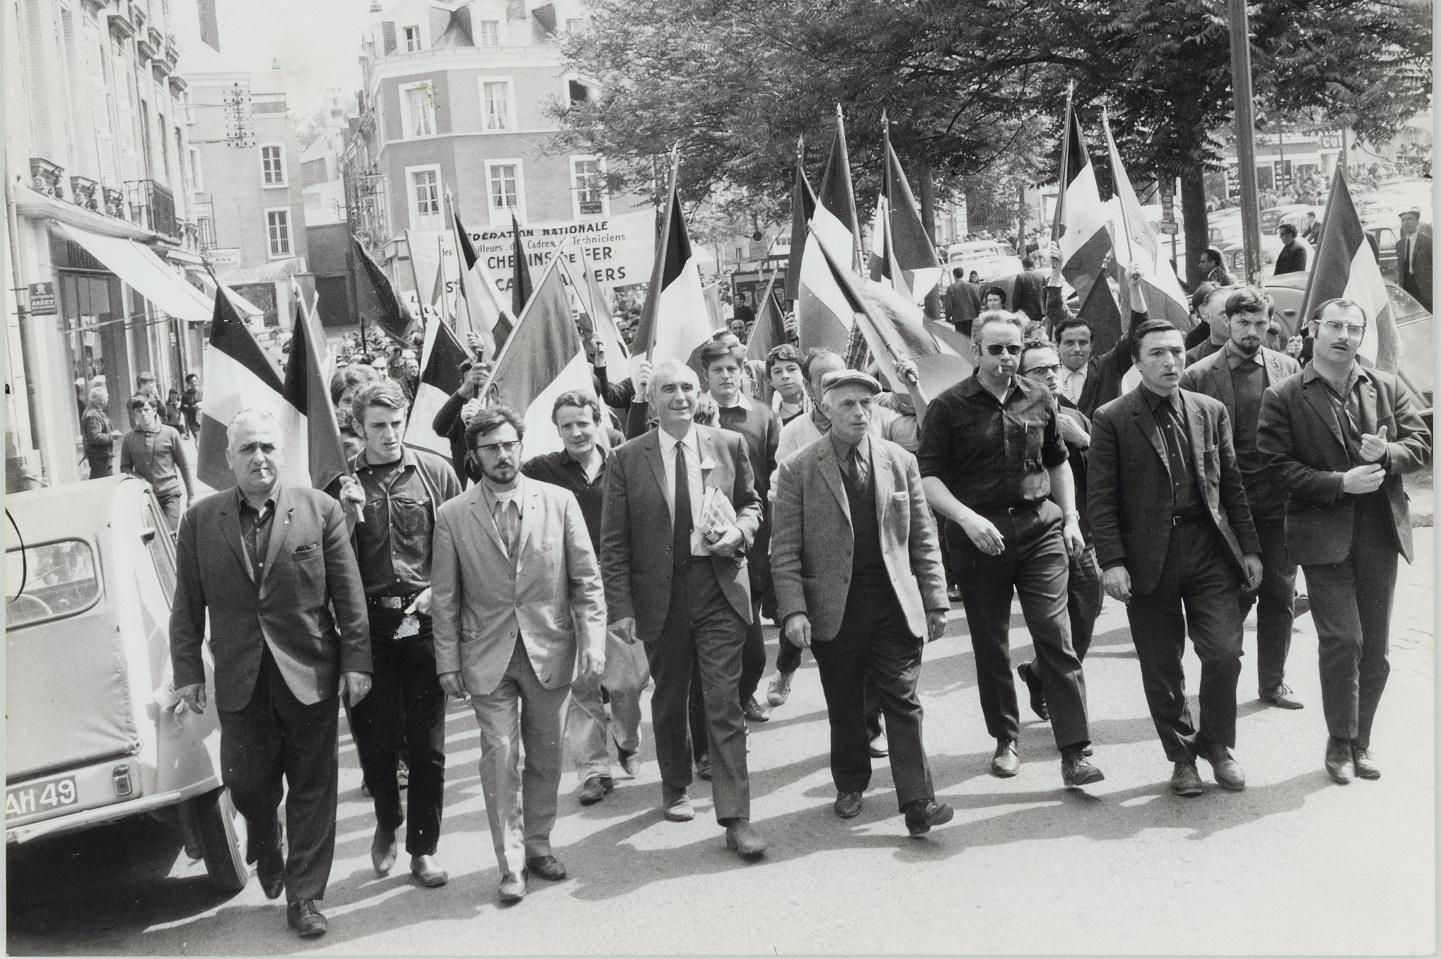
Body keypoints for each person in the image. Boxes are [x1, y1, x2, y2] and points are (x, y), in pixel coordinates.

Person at [169, 410, 372, 938]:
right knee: (248, 785)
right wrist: (187, 670)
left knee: (313, 784)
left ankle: (305, 897)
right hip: (240, 677)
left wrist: (357, 661)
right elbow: (186, 606)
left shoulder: (319, 510)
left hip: (309, 672)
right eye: (247, 450)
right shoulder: (199, 521)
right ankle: (265, 835)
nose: (259, 458)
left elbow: (349, 596)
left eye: (267, 448)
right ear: (228, 459)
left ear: (282, 453)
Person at [918, 310, 1104, 787]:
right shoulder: (948, 407)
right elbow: (930, 478)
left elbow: (1058, 462)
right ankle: (1006, 738)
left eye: (1014, 349)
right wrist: (965, 517)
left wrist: (1071, 519)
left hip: (1039, 529)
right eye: (996, 349)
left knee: (1054, 634)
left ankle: (1075, 751)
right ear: (975, 351)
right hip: (980, 536)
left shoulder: (1041, 398)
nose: (1006, 358)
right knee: (992, 642)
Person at [431, 405, 606, 902]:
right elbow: (444, 598)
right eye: (491, 448)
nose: (503, 455)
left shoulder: (560, 502)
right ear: (475, 455)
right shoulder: (453, 516)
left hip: (549, 649)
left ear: (521, 447)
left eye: (509, 445)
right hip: (487, 657)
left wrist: (593, 640)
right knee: (501, 755)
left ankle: (538, 845)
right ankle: (510, 866)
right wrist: (447, 662)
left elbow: (586, 582)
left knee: (546, 756)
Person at [770, 370, 954, 836]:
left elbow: (922, 537)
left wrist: (935, 600)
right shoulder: (798, 468)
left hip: (893, 601)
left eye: (865, 404)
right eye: (847, 404)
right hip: (836, 606)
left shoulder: (899, 461)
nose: (858, 413)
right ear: (825, 409)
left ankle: (918, 801)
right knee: (846, 702)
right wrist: (793, 610)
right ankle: (850, 781)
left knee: (903, 698)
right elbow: (785, 548)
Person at [1257, 299, 1431, 784]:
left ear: (1361, 336)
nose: (1343, 336)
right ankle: (1338, 740)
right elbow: (1275, 466)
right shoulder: (1285, 395)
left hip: (1379, 533)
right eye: (1333, 326)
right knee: (1343, 640)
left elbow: (1422, 444)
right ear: (1314, 330)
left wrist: (1389, 452)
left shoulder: (1387, 386)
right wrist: (1338, 484)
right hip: (1321, 537)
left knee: (1374, 648)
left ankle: (1362, 741)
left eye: (1352, 328)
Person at [599, 360, 768, 859]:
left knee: (723, 701)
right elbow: (614, 542)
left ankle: (736, 818)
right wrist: (621, 607)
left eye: (688, 388)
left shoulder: (728, 445)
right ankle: (674, 785)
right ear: (651, 401)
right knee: (671, 697)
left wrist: (739, 532)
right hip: (661, 596)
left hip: (718, 589)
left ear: (700, 395)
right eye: (668, 388)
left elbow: (752, 504)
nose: (679, 396)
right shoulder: (627, 458)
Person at [1089, 320, 1263, 798]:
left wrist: (1248, 548)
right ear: (1137, 361)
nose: (1170, 362)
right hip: (1149, 558)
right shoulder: (1112, 418)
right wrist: (1113, 561)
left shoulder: (1210, 410)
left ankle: (1219, 746)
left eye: (1176, 352)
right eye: (1157, 354)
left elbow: (1232, 486)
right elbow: (1100, 500)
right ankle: (1183, 757)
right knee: (1163, 666)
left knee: (1224, 653)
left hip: (1209, 551)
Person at [328, 381, 460, 889]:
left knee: (428, 746)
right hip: (368, 630)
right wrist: (345, 515)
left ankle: (423, 848)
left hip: (423, 621)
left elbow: (458, 545)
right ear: (358, 429)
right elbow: (328, 566)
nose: (388, 435)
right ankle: (388, 819)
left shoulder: (434, 473)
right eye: (377, 426)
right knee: (377, 743)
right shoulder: (338, 485)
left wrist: (440, 591)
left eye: (396, 423)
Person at [521, 391, 650, 806]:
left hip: (617, 586)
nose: (576, 432)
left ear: (598, 423)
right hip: (563, 589)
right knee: (582, 684)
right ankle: (594, 768)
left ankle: (628, 739)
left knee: (628, 681)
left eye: (583, 423)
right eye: (566, 426)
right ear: (557, 430)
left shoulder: (625, 462)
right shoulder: (539, 470)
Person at [1179, 287, 1303, 709]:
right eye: (1243, 323)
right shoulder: (1197, 372)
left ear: (1270, 323)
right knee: (1232, 597)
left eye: (1260, 323)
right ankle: (1220, 676)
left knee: (1280, 596)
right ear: (1226, 323)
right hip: (1225, 510)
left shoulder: (1287, 367)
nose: (1252, 331)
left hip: (1277, 503)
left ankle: (1273, 681)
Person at [1011, 340, 1105, 720]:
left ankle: (1037, 672)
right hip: (1037, 536)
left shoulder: (1075, 417)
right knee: (1055, 626)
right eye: (1039, 371)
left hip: (1080, 532)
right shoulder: (1013, 418)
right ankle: (1064, 706)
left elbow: (1107, 472)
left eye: (1053, 369)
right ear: (1019, 376)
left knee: (1086, 611)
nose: (1050, 376)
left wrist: (1083, 441)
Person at [701, 341, 779, 727]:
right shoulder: (692, 413)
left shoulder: (762, 417)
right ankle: (722, 712)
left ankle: (743, 695)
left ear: (743, 372)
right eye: (718, 371)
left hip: (753, 536)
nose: (726, 377)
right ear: (707, 376)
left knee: (755, 650)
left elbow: (775, 477)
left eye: (732, 369)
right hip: (707, 541)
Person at [1044, 248, 1149, 418]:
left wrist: (1135, 288)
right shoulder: (1046, 374)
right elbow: (1055, 308)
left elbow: (1139, 331)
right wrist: (1056, 270)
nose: (1077, 348)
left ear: (1092, 345)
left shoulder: (1107, 367)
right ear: (1058, 345)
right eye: (1069, 342)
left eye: (1083, 342)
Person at [120, 393, 194, 531]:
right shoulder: (129, 439)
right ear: (134, 414)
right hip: (146, 498)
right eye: (138, 411)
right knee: (153, 540)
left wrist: (191, 496)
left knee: (169, 534)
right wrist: (140, 479)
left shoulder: (171, 433)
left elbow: (184, 466)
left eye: (146, 410)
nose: (143, 414)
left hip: (170, 495)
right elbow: (125, 468)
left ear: (154, 411)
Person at [1184, 283, 1234, 364]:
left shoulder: (1253, 348)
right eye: (1223, 314)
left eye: (1234, 312)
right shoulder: (1193, 358)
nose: (1229, 319)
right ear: (1207, 316)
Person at [1396, 207, 1432, 311]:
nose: (1406, 223)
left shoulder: (1428, 242)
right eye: (1403, 220)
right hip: (1407, 288)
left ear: (1417, 222)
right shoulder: (1399, 244)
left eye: (1410, 219)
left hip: (1424, 289)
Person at [81, 385, 119, 478]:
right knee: (99, 483)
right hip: (99, 457)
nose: (107, 399)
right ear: (101, 399)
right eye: (106, 397)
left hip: (103, 456)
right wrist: (112, 436)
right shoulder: (93, 415)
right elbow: (94, 437)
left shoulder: (96, 412)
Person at [766, 344, 809, 424]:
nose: (785, 376)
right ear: (770, 380)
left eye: (791, 369)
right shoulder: (771, 421)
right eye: (777, 372)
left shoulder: (818, 409)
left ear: (803, 373)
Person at [945, 267, 983, 335]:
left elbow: (949, 306)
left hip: (958, 319)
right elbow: (977, 301)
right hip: (971, 316)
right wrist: (977, 313)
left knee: (961, 339)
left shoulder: (951, 289)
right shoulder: (972, 286)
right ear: (962, 274)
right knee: (971, 337)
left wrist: (947, 318)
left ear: (954, 275)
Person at [180, 373, 203, 438]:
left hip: (203, 418)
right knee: (197, 437)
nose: (194, 384)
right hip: (192, 420)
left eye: (195, 381)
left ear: (198, 381)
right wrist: (191, 408)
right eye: (191, 382)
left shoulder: (204, 392)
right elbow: (183, 407)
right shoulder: (186, 395)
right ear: (188, 384)